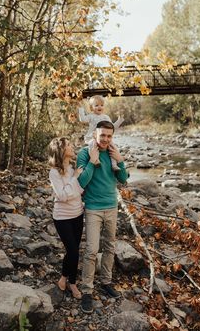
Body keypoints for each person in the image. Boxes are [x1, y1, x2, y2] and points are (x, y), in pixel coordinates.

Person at [76, 120, 128, 313]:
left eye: (109, 136)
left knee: (110, 246)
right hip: (93, 208)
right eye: (102, 135)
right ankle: (87, 291)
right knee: (91, 250)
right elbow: (81, 182)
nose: (105, 139)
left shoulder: (113, 153)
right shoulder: (84, 153)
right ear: (94, 135)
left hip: (112, 207)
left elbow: (123, 180)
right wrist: (91, 160)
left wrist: (121, 160)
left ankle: (106, 282)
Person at [48, 137, 84, 299]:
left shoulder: (73, 168)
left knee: (72, 252)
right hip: (62, 217)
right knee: (74, 251)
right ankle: (73, 283)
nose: (72, 146)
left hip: (78, 214)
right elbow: (62, 196)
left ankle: (64, 278)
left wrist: (74, 185)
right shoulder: (54, 172)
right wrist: (75, 179)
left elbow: (80, 190)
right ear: (62, 150)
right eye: (69, 145)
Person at [79, 95, 124, 170]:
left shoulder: (106, 117)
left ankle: (114, 164)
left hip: (104, 137)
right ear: (91, 108)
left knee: (113, 147)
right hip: (92, 136)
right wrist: (81, 109)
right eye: (96, 105)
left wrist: (119, 120)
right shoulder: (91, 116)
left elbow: (112, 127)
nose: (99, 107)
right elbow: (83, 119)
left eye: (101, 105)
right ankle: (96, 160)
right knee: (92, 145)